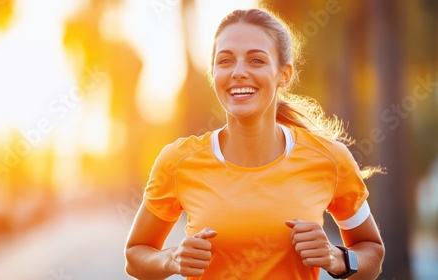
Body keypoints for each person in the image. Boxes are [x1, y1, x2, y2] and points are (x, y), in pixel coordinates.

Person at [124, 7, 385, 280]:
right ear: (213, 73)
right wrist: (170, 259)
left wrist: (338, 258)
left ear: (283, 74)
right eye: (225, 61)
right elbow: (135, 256)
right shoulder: (177, 161)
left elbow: (372, 253)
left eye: (256, 61)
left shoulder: (331, 159)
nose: (238, 72)